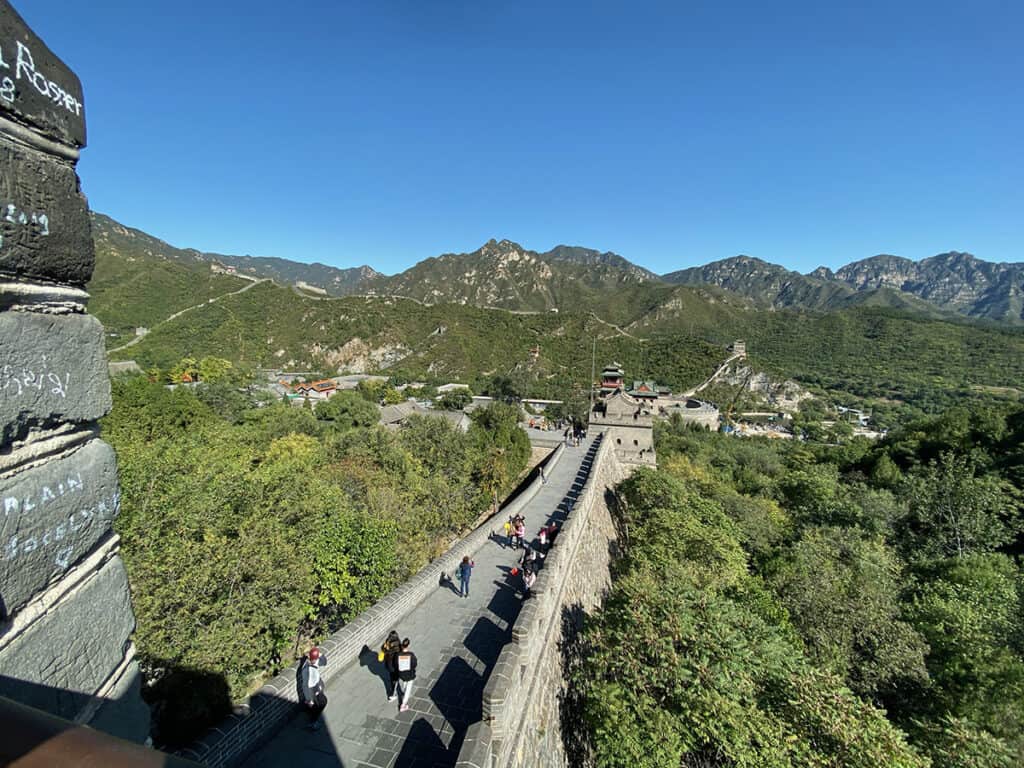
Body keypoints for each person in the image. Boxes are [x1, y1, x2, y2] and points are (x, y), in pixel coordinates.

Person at [301, 647, 327, 730]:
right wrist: (310, 699)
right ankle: (312, 723)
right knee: (320, 704)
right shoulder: (309, 671)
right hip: (313, 692)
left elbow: (324, 662)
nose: (315, 661)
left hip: (316, 689)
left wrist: (319, 654)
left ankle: (312, 715)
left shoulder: (315, 661)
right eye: (314, 660)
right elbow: (308, 686)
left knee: (318, 705)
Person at [394, 638, 418, 713]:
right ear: (408, 645)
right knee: (408, 688)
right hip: (410, 674)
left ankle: (404, 694)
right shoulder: (411, 655)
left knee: (405, 684)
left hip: (402, 674)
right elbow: (414, 664)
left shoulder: (398, 655)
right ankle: (403, 705)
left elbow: (395, 664)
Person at [380, 630, 402, 701]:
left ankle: (394, 693)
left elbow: (383, 650)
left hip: (389, 664)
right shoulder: (398, 643)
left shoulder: (387, 642)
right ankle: (393, 694)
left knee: (392, 678)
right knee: (395, 680)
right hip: (396, 665)